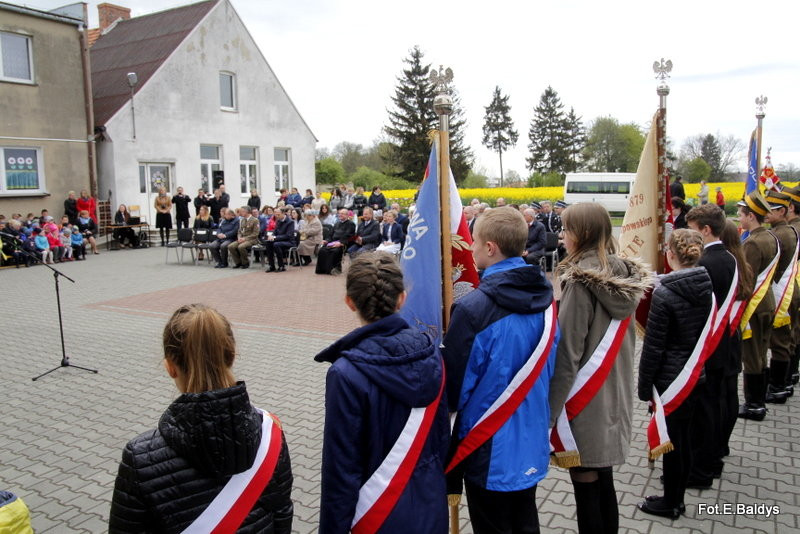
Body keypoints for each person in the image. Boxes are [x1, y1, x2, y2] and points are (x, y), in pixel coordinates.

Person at [108, 304, 293, 533]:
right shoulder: (271, 433)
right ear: (232, 356)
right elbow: (282, 514)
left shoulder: (139, 457)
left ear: (170, 367)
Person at [315, 253, 449, 534]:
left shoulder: (345, 373)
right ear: (402, 298)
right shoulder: (432, 353)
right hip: (430, 502)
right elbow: (440, 437)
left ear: (350, 301)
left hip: (376, 513)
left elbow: (341, 470)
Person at [443, 207, 558, 534]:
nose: (471, 248)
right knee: (525, 521)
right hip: (532, 438)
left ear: (490, 247)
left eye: (474, 241)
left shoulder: (472, 309)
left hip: (487, 445)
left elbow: (454, 390)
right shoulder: (547, 298)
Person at [548, 202, 652, 534]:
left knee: (586, 486)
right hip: (613, 395)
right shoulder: (624, 274)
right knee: (602, 481)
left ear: (584, 233)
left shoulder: (580, 283)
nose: (562, 236)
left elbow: (568, 355)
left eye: (566, 229)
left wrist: (549, 415)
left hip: (585, 401)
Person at [637, 229, 713, 519]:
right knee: (684, 441)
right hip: (694, 374)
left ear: (669, 255)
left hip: (670, 381)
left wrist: (645, 388)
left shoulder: (665, 293)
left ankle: (671, 502)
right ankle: (676, 496)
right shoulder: (706, 284)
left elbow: (653, 348)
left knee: (671, 444)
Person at [685, 204, 738, 486]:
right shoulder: (728, 257)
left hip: (708, 346)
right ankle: (712, 460)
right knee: (713, 407)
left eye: (692, 230)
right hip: (722, 345)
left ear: (706, 230)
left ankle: (700, 470)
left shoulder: (706, 263)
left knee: (703, 412)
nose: (690, 236)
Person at [735, 192, 778, 420]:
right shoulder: (771, 237)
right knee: (762, 351)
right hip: (768, 302)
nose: (739, 219)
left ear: (751, 216)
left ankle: (753, 405)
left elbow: (746, 279)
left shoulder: (753, 243)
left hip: (755, 305)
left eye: (741, 215)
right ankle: (759, 400)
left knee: (751, 354)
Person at [719, 220, 753, 455]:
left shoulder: (724, 268)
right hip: (733, 337)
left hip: (721, 338)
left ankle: (716, 444)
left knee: (720, 396)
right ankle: (723, 444)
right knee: (729, 393)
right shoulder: (743, 266)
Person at [763, 190, 799, 402]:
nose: (766, 213)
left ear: (784, 211)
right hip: (790, 289)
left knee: (780, 340)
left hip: (781, 291)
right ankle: (784, 381)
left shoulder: (780, 234)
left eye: (772, 210)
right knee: (787, 338)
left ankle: (778, 387)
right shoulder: (788, 230)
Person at [316, 209, 355, 275]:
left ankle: (334, 270)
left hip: (342, 243)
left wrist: (340, 243)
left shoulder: (351, 224)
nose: (340, 215)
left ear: (347, 215)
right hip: (332, 242)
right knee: (322, 250)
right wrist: (327, 240)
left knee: (334, 251)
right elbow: (330, 234)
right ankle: (323, 270)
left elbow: (349, 235)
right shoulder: (337, 223)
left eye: (342, 213)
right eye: (339, 213)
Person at [264, 207, 294, 273]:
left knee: (276, 244)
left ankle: (281, 266)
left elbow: (288, 235)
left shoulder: (290, 222)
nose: (277, 216)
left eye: (278, 214)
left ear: (283, 213)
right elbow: (275, 231)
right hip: (279, 240)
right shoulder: (278, 220)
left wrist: (275, 238)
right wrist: (271, 236)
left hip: (289, 242)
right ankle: (272, 266)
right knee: (268, 242)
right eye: (276, 214)